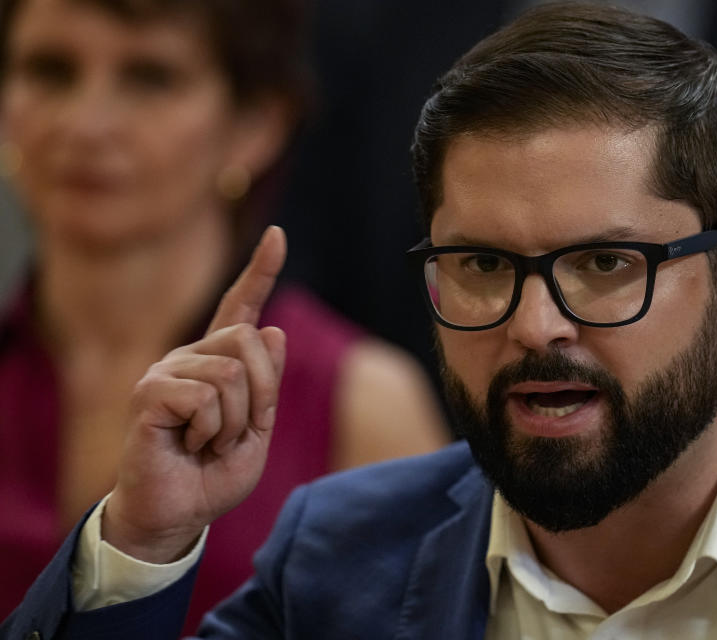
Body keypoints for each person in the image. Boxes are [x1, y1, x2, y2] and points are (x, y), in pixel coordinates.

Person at [5, 3, 717, 638]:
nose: (536, 323)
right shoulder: (336, 560)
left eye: (603, 263)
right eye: (481, 265)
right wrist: (143, 542)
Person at [0, 0, 448, 631]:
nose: (85, 122)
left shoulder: (361, 401)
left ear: (256, 124)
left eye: (150, 77)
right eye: (50, 70)